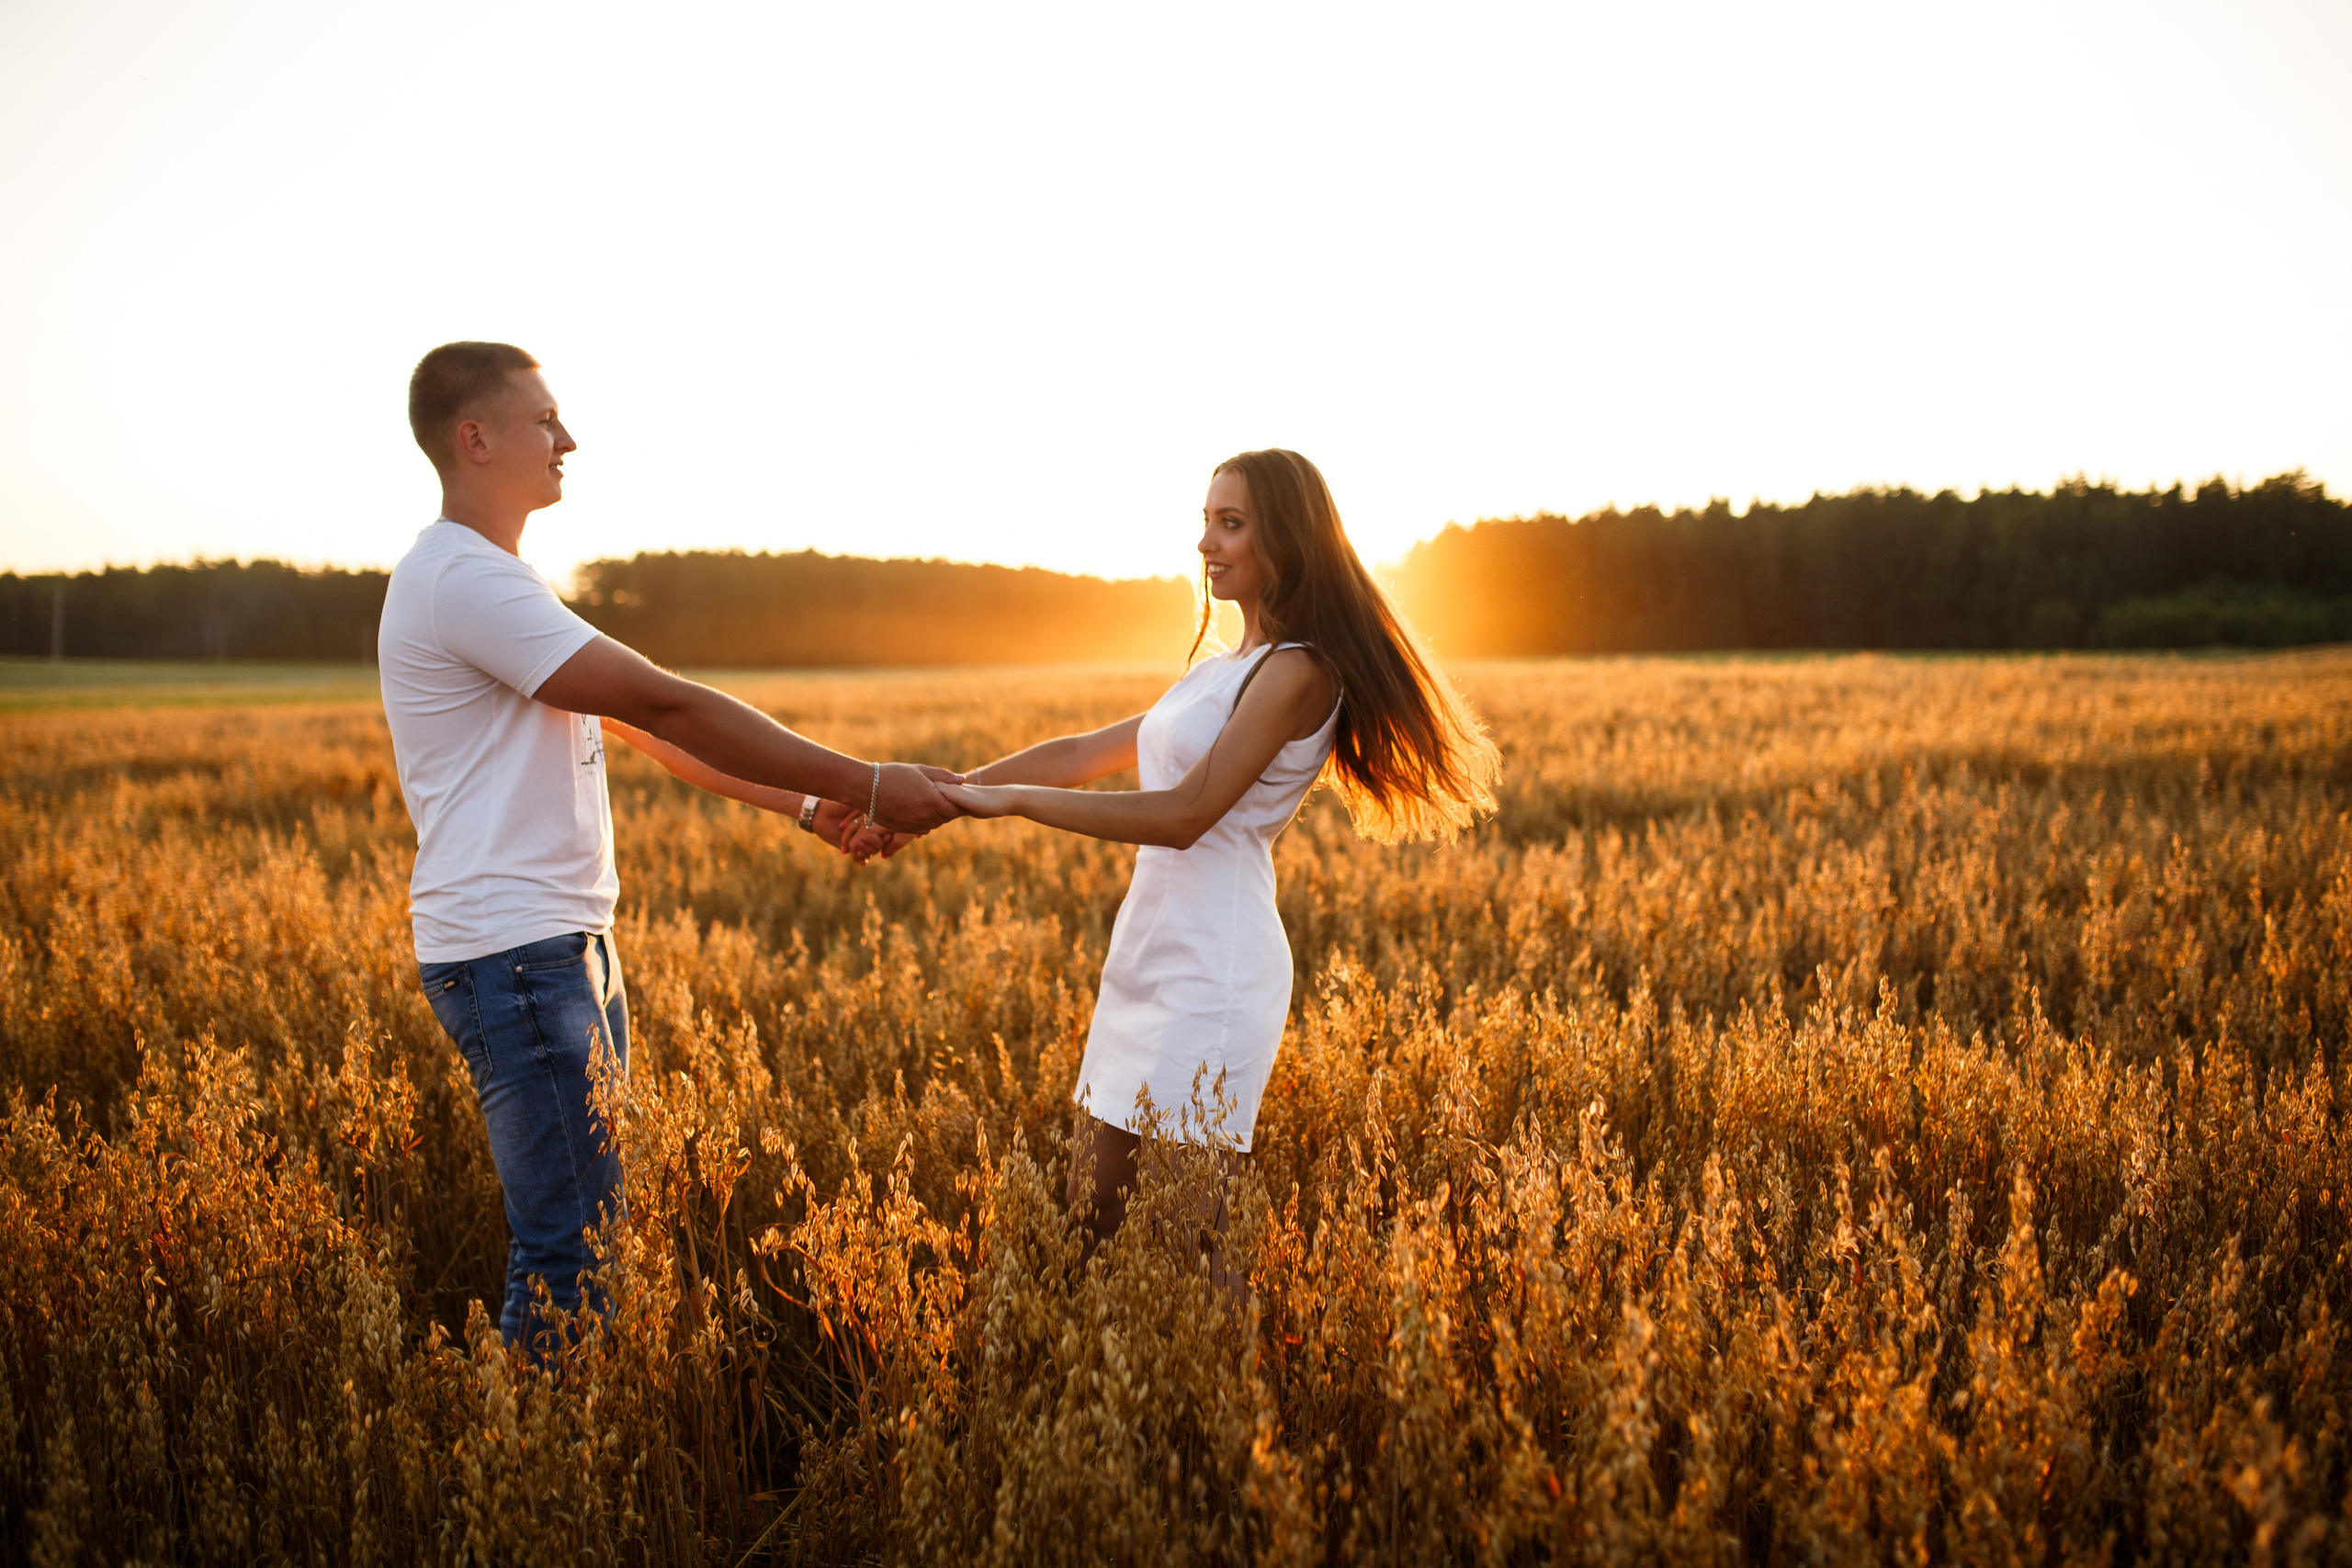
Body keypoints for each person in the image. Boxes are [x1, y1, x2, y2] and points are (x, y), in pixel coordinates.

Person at [378, 341, 960, 1357]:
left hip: (556, 948)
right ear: (473, 439)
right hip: (516, 957)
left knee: (589, 1242)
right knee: (571, 1256)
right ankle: (534, 1496)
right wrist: (863, 781)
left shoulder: (494, 578)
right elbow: (668, 699)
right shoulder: (460, 580)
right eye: (542, 420)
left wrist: (803, 809)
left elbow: (643, 730)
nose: (568, 439)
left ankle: (552, 1474)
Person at [935, 448, 1498, 1263]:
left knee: (1192, 1241)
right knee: (1090, 1216)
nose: (1207, 542)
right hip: (1146, 953)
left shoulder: (1299, 672)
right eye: (1205, 520)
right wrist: (954, 790)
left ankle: (1231, 1392)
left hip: (1216, 969)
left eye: (1230, 523)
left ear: (1287, 539)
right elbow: (1091, 750)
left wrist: (1010, 804)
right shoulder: (1217, 669)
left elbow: (1186, 814)